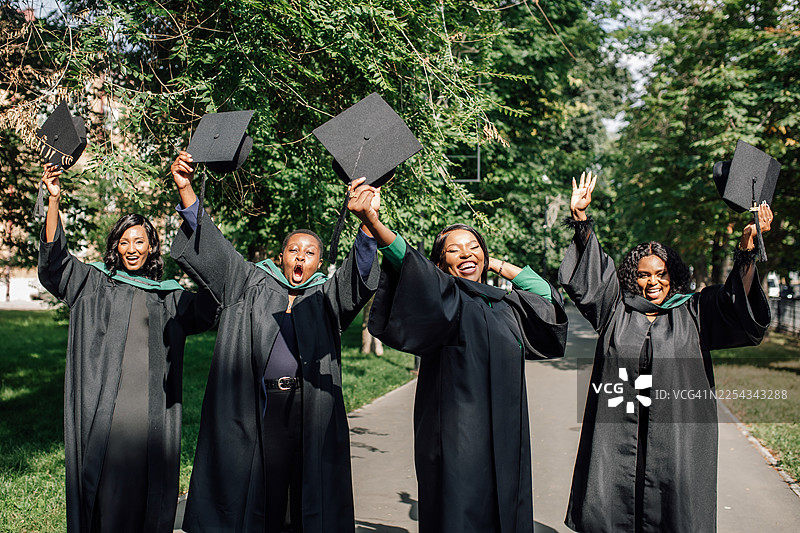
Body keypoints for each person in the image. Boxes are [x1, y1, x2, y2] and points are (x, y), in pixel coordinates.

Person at [169, 151, 382, 533]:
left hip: (308, 409)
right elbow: (215, 250)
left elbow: (356, 279)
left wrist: (367, 223)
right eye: (294, 250)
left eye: (310, 252)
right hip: (256, 408)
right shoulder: (249, 282)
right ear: (281, 256)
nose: (301, 257)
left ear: (319, 262)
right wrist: (186, 190)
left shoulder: (325, 296)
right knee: (257, 495)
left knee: (304, 499)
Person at [560, 171, 772, 533]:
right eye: (643, 275)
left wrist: (747, 253)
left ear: (672, 275)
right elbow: (592, 278)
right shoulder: (617, 307)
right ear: (633, 278)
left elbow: (733, 303)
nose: (652, 281)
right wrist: (581, 220)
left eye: (660, 273)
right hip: (618, 427)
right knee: (613, 502)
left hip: (676, 430)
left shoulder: (694, 310)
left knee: (673, 507)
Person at [357, 200, 568, 532]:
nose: (466, 254)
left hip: (507, 431)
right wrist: (371, 220)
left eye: (473, 248)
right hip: (457, 434)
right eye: (455, 251)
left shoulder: (506, 306)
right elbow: (407, 260)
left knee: (507, 506)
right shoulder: (445, 298)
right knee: (459, 508)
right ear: (441, 264)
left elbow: (543, 294)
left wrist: (491, 260)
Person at [37, 163, 219, 533]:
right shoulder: (94, 284)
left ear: (151, 246)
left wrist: (198, 222)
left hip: (152, 422)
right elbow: (55, 267)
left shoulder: (169, 297)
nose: (132, 249)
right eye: (124, 241)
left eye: (140, 241)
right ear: (115, 247)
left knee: (147, 503)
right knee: (106, 501)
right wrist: (54, 201)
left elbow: (212, 302)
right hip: (107, 419)